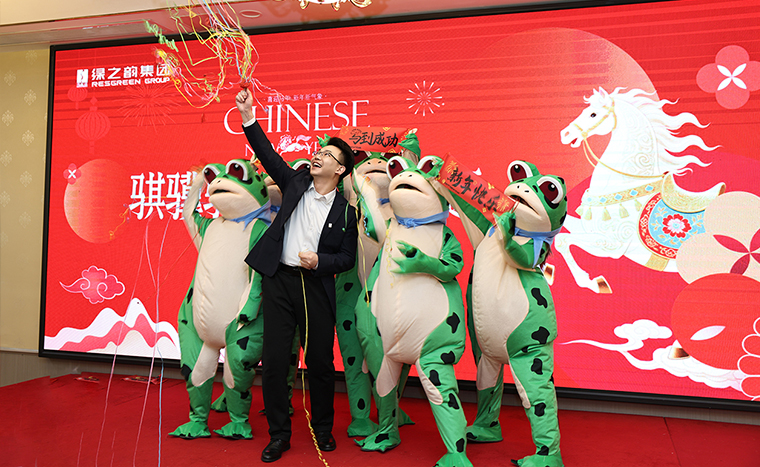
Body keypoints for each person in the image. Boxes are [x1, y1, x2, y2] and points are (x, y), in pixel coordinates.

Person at [235, 89, 358, 463]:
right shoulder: (295, 183)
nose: (318, 156)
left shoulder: (346, 211)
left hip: (316, 287)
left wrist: (320, 261)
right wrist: (248, 115)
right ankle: (278, 435)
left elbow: (347, 259)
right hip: (279, 282)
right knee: (274, 362)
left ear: (340, 170)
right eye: (319, 151)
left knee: (320, 363)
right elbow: (267, 153)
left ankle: (322, 429)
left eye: (328, 155)